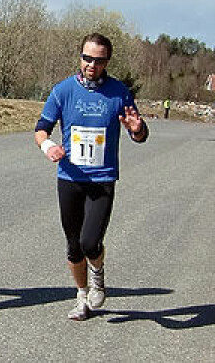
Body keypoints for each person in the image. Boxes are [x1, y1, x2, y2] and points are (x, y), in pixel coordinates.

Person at [34, 33, 148, 321]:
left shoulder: (119, 92)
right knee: (73, 247)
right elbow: (41, 128)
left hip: (102, 180)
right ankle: (81, 296)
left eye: (98, 60)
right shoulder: (62, 91)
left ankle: (97, 273)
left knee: (90, 243)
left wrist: (137, 128)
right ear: (80, 57)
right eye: (87, 58)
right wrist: (48, 146)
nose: (91, 65)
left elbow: (140, 135)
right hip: (70, 178)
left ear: (107, 61)